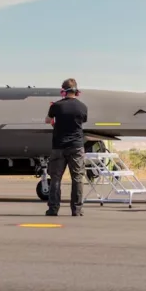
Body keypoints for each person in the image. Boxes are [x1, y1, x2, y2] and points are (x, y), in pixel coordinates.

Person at [44, 78, 88, 216]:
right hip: (76, 146)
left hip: (59, 146)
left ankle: (53, 209)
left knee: (56, 178)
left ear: (63, 91)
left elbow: (47, 120)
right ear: (77, 91)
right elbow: (83, 121)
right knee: (77, 178)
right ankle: (77, 209)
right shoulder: (82, 107)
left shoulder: (56, 106)